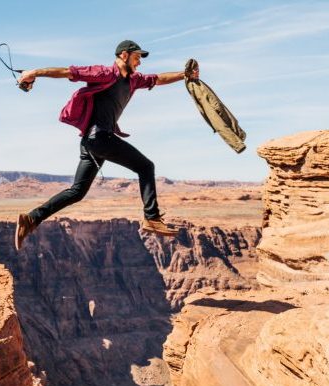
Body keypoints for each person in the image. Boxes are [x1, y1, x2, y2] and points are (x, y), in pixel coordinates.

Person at [14, 40, 198, 250]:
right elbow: (67, 72)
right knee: (146, 167)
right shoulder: (104, 73)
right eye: (137, 57)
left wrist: (185, 75)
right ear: (124, 55)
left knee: (77, 192)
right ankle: (152, 217)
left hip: (91, 143)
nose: (139, 63)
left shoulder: (133, 80)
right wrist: (34, 72)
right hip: (99, 138)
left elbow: (159, 78)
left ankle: (30, 220)